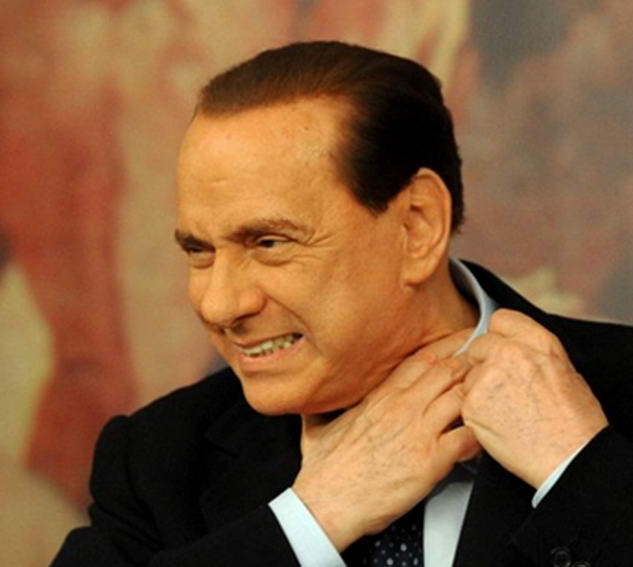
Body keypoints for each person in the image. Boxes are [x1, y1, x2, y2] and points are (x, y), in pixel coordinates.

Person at [52, 41, 633, 566]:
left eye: (268, 243)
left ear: (417, 226)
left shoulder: (619, 394)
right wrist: (312, 519)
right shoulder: (157, 458)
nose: (219, 304)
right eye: (199, 252)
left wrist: (577, 473)